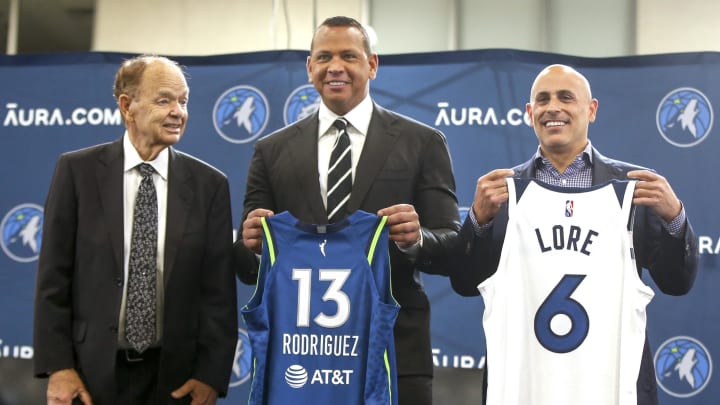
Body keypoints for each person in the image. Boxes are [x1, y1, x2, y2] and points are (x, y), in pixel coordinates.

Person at [234, 16, 460, 405]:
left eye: (348, 56)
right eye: (324, 56)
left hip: (392, 351)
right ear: (310, 68)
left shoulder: (422, 142)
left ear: (371, 65)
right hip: (299, 356)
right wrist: (251, 245)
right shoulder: (271, 151)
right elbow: (246, 263)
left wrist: (416, 239)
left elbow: (452, 245)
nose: (335, 66)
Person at [449, 64, 698, 404]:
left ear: (591, 109)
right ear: (529, 112)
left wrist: (675, 217)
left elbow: (676, 282)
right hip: (525, 385)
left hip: (609, 385)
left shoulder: (634, 189)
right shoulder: (502, 194)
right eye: (543, 99)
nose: (553, 107)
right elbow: (464, 283)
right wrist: (476, 222)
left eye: (566, 97)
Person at [33, 55, 238, 405]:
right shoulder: (77, 172)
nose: (178, 111)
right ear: (128, 106)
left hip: (174, 381)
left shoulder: (210, 185)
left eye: (183, 101)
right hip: (89, 376)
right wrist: (58, 367)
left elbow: (218, 294)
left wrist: (210, 376)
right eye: (164, 100)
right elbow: (54, 279)